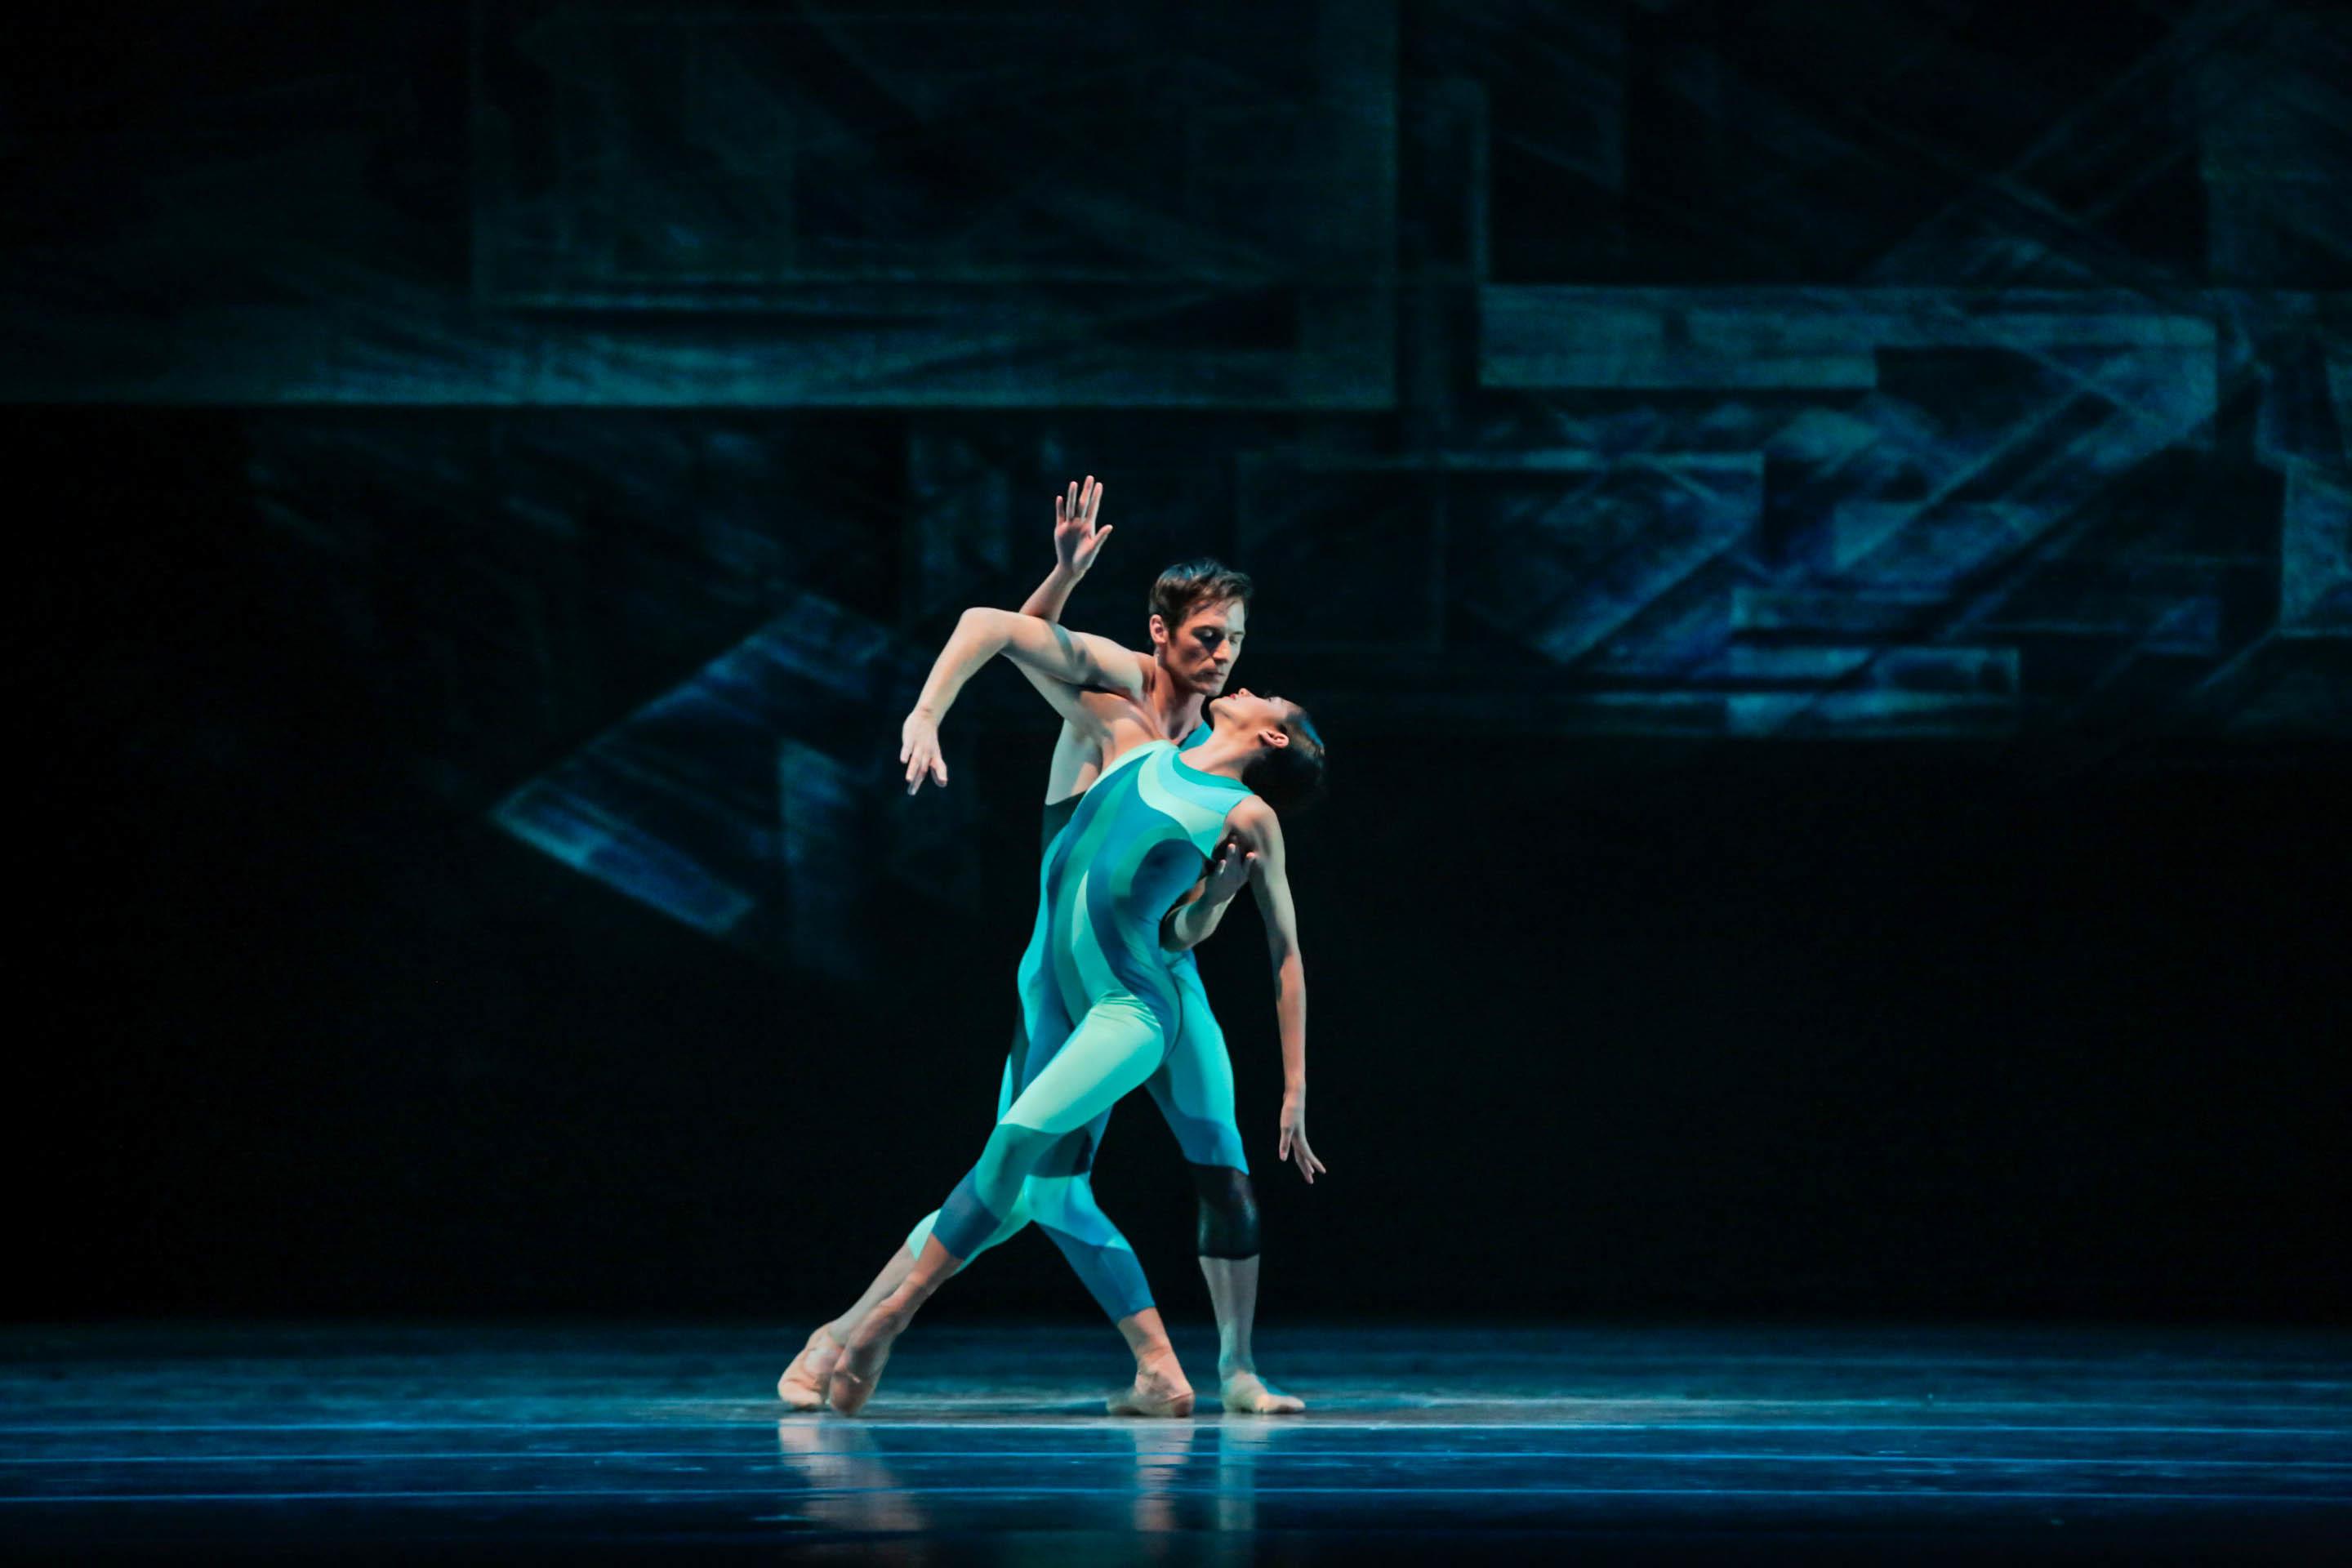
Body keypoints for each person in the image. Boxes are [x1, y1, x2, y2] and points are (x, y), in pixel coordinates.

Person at [779, 516, 1325, 1416]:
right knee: (1034, 1182)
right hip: (1066, 981)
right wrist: (1049, 591)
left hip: (1150, 987)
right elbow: (1011, 640)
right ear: (1162, 634)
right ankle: (856, 1331)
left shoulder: (1224, 786)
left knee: (1180, 1167)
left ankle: (1226, 1369)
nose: (1227, 659)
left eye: (1237, 643)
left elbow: (1211, 932)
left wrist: (1222, 909)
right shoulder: (1113, 706)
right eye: (1208, 639)